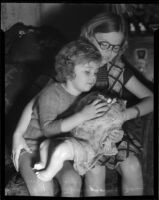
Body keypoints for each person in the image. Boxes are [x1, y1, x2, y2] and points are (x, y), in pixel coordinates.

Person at [12, 12, 154, 196]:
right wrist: (18, 134)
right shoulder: (76, 67)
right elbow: (36, 101)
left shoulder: (117, 72)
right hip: (81, 134)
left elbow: (151, 98)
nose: (108, 52)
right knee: (95, 169)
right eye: (104, 44)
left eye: (115, 48)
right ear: (88, 36)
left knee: (133, 166)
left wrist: (127, 114)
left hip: (109, 134)